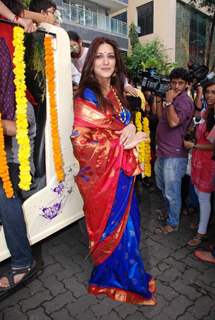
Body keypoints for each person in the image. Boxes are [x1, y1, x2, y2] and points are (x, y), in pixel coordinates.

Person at [71, 37, 156, 305]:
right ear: (91, 62)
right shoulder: (88, 94)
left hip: (122, 174)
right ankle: (116, 280)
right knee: (117, 228)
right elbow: (80, 141)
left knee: (130, 226)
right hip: (105, 178)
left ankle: (122, 274)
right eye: (99, 56)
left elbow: (123, 124)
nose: (106, 61)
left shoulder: (116, 91)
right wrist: (122, 142)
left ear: (117, 62)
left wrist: (130, 130)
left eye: (110, 56)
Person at [0, 0, 37, 294]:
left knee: (7, 189)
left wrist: (17, 17)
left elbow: (14, 126)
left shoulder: (12, 22)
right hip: (12, 108)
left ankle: (23, 261)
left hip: (18, 106)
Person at [155, 67, 194, 233]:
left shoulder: (184, 101)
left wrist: (169, 102)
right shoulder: (172, 99)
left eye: (180, 83)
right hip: (162, 151)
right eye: (174, 82)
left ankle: (173, 223)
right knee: (163, 186)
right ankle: (169, 212)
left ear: (187, 85)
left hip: (175, 154)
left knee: (172, 191)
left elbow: (173, 122)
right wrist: (160, 100)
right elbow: (159, 118)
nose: (176, 86)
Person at [184, 79, 215, 246]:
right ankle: (204, 221)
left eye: (213, 92)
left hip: (208, 162)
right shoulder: (207, 111)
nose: (209, 95)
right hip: (198, 159)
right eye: (208, 91)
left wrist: (194, 145)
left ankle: (201, 233)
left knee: (204, 197)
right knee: (198, 193)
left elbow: (213, 145)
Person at [68, 30, 138, 96]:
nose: (71, 50)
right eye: (68, 47)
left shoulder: (90, 54)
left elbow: (116, 70)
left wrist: (125, 85)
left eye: (73, 46)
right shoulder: (69, 60)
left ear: (80, 42)